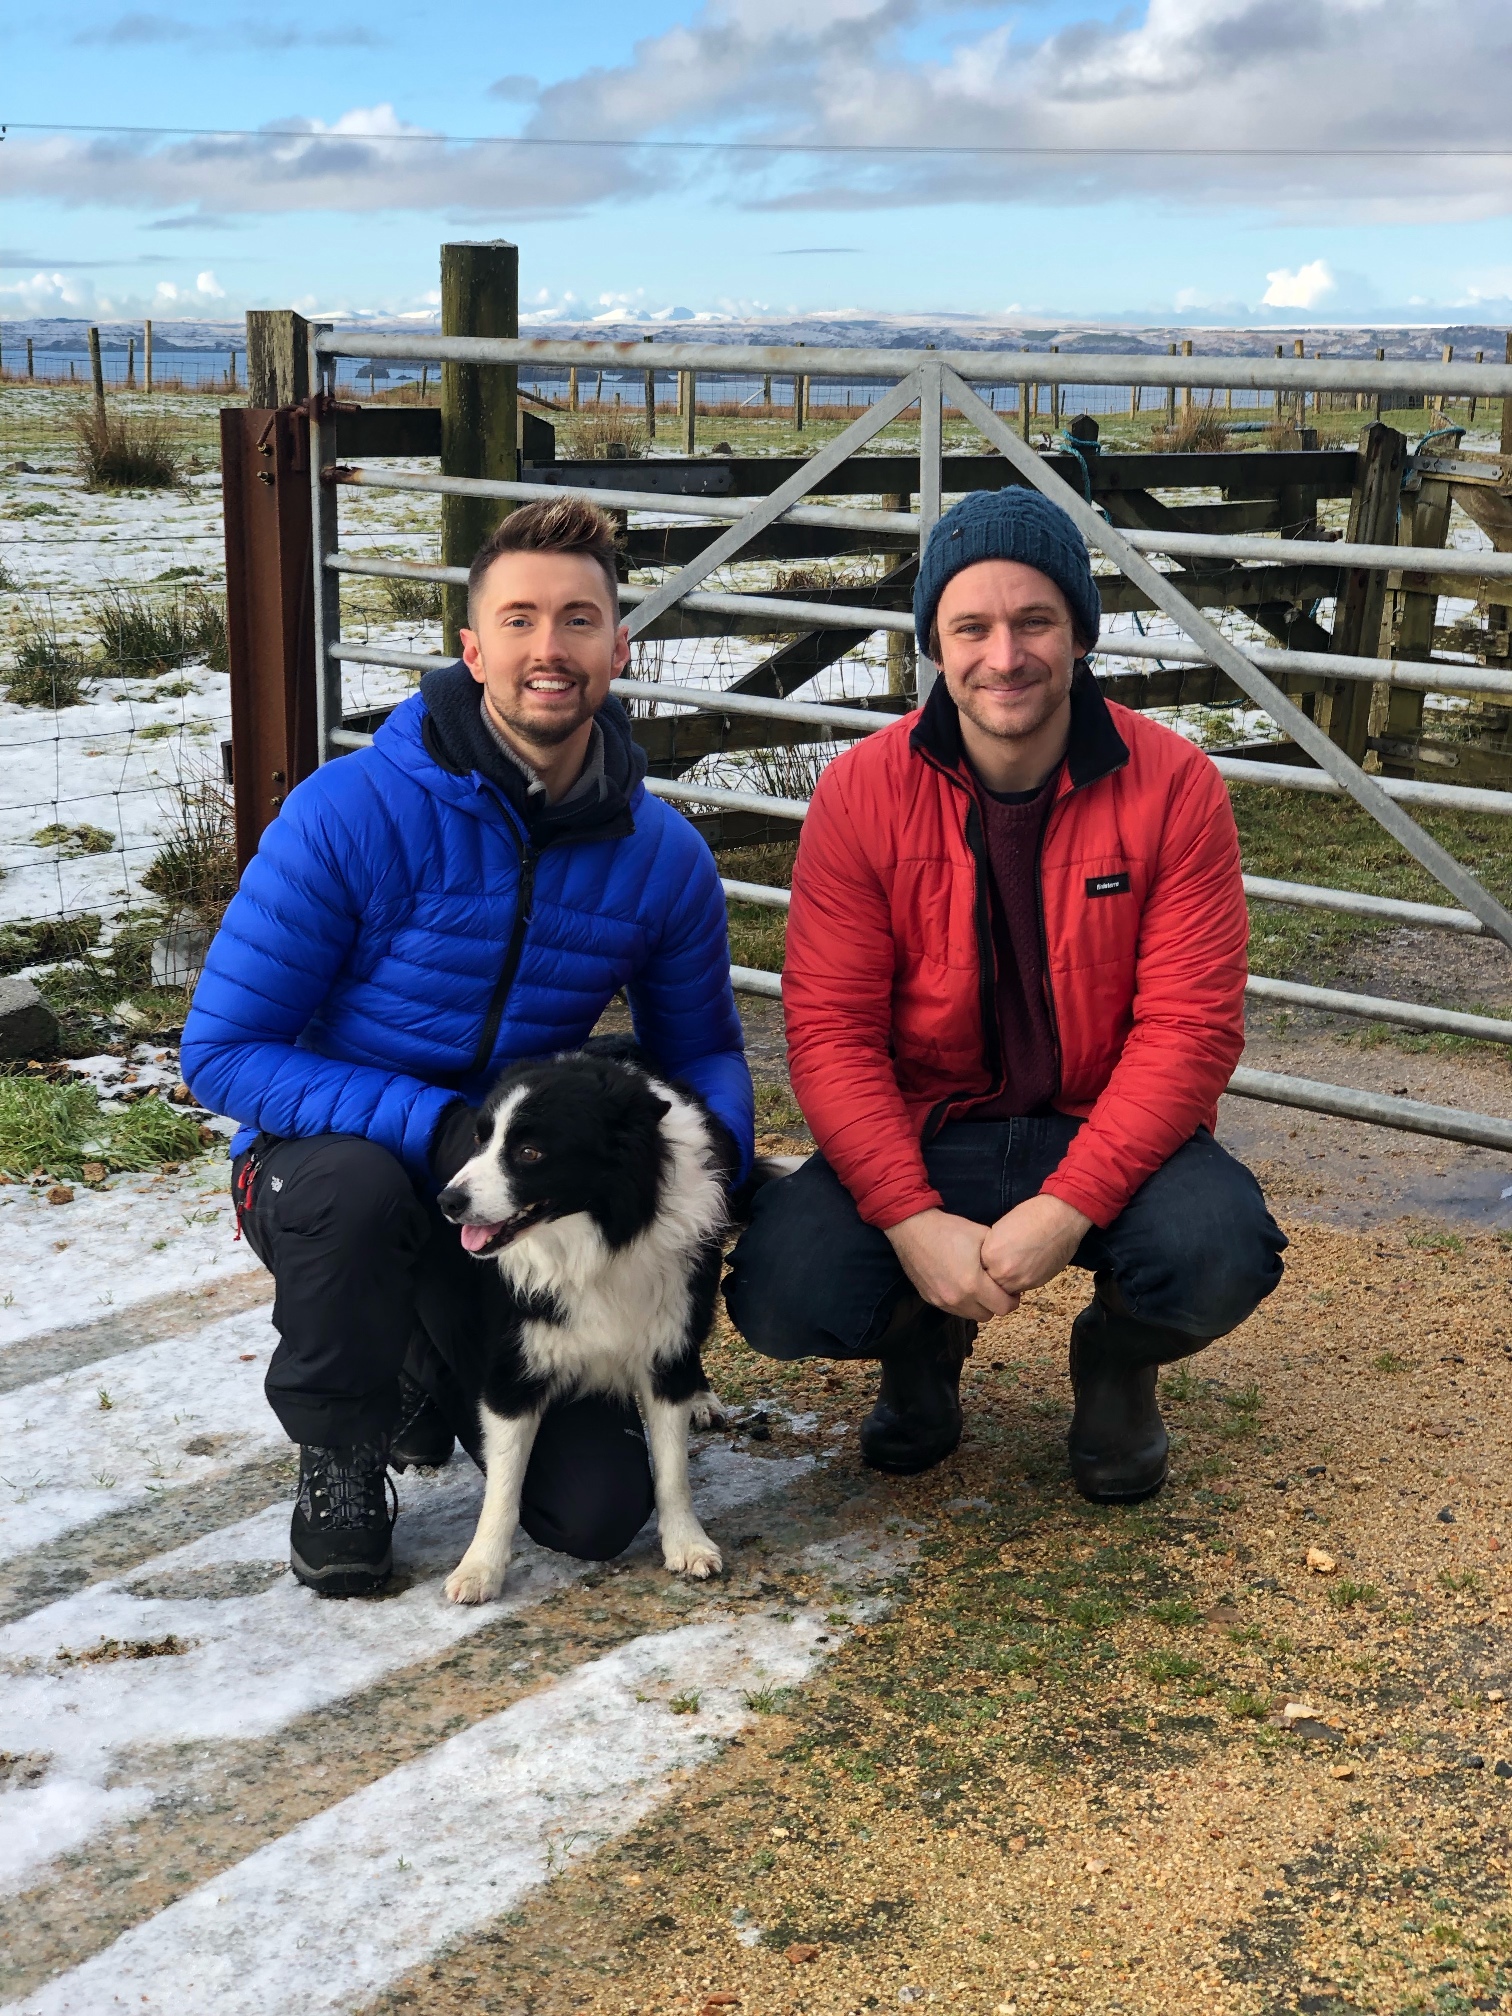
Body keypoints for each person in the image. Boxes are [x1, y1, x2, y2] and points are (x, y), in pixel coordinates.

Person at [182, 497, 753, 1596]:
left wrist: (714, 1166)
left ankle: (430, 1360)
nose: (552, 649)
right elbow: (223, 1051)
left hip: (510, 1186)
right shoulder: (345, 812)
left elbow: (704, 1050)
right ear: (472, 647)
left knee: (594, 1517)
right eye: (522, 619)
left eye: (581, 620)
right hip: (327, 1161)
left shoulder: (661, 854)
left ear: (619, 647)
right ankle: (343, 1448)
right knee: (354, 1196)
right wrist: (431, 1122)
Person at [725, 487, 1285, 1500]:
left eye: (1035, 621)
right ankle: (920, 1346)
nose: (1006, 654)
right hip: (932, 1125)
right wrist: (907, 1219)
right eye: (970, 626)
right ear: (934, 643)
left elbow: (1189, 1030)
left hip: (1103, 1121)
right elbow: (831, 1035)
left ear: (1079, 632)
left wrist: (1069, 1206)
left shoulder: (1174, 785)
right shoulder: (859, 793)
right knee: (783, 1290)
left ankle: (1117, 1364)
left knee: (1216, 1254)